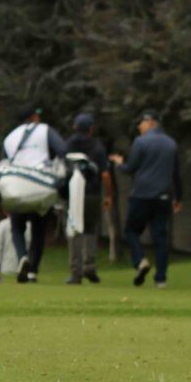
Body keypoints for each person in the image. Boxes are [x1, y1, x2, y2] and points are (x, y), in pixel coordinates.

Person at [110, 110, 182, 288]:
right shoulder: (171, 143)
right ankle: (161, 279)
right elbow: (176, 174)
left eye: (141, 123)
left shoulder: (141, 142)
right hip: (163, 196)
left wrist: (119, 163)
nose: (139, 126)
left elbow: (130, 168)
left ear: (150, 122)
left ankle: (140, 261)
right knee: (160, 236)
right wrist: (178, 198)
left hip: (141, 195)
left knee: (132, 231)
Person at [0, 104, 67, 283]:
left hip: (17, 188)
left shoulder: (10, 137)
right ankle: (33, 271)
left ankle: (22, 256)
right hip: (39, 187)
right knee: (38, 230)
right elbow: (62, 150)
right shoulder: (45, 130)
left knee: (17, 227)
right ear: (34, 117)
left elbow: (4, 164)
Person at [63, 112, 111, 284]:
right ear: (91, 129)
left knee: (74, 230)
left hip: (72, 194)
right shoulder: (97, 147)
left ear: (75, 127)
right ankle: (89, 265)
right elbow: (105, 174)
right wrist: (108, 195)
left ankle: (75, 273)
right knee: (90, 229)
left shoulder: (67, 145)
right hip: (91, 193)